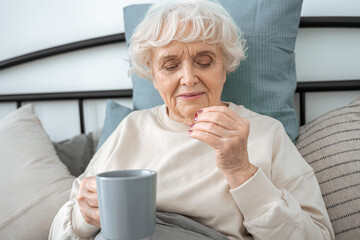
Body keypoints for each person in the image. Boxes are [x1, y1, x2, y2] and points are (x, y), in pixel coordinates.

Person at [50, 0, 334, 239]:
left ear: (225, 66)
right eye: (170, 66)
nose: (188, 79)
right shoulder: (131, 128)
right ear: (153, 75)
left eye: (205, 62)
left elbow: (318, 235)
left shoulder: (264, 133)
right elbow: (59, 232)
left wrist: (241, 171)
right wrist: (83, 216)